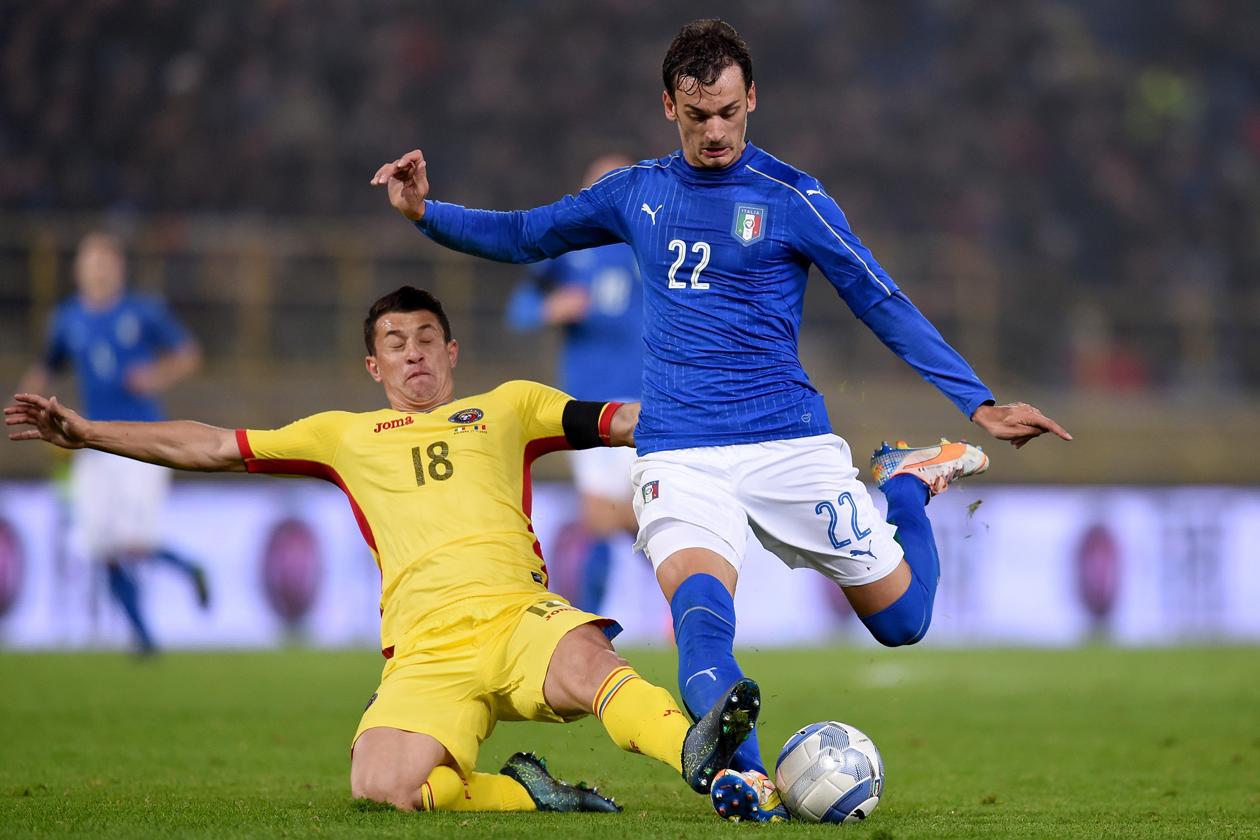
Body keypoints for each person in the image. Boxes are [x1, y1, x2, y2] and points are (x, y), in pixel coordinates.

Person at [370, 19, 1071, 821]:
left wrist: (978, 403)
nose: (715, 132)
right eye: (698, 115)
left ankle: (906, 484)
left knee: (906, 623)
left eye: (730, 113)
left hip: (788, 443)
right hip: (680, 450)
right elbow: (529, 232)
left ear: (752, 101)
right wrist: (426, 212)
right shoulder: (636, 193)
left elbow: (881, 300)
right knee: (701, 622)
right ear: (669, 105)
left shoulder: (793, 199)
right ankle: (752, 782)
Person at [6, 285, 760, 815]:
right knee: (384, 786)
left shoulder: (510, 406)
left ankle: (704, 759)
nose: (413, 355)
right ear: (375, 367)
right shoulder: (344, 434)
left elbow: (627, 419)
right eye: (395, 345)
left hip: (518, 615)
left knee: (592, 664)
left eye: (426, 339)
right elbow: (210, 446)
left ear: (452, 349)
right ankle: (523, 794)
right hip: (423, 650)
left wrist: (742, 406)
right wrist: (91, 432)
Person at [18, 231, 207, 654]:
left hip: (143, 441)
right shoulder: (68, 318)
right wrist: (28, 398)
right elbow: (46, 365)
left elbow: (188, 353)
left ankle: (188, 567)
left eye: (105, 262)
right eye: (90, 263)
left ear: (118, 268)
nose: (98, 271)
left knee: (129, 541)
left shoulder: (142, 312)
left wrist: (154, 377)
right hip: (90, 441)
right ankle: (144, 641)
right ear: (79, 269)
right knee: (98, 544)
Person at [504, 153, 644, 615]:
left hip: (652, 403)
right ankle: (600, 627)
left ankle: (681, 611)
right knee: (602, 522)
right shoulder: (567, 248)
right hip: (589, 410)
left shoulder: (654, 242)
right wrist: (549, 309)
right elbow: (518, 310)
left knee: (640, 520)